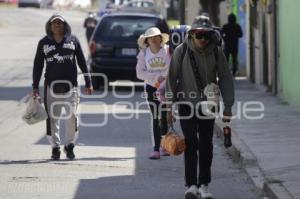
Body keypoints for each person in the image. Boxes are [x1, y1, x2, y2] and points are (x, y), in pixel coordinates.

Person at [166, 15, 234, 199]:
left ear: (211, 35)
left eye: (206, 35)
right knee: (190, 143)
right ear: (192, 34)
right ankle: (191, 185)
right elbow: (171, 78)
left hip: (208, 107)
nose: (202, 39)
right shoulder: (182, 51)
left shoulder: (216, 52)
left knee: (206, 144)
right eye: (199, 35)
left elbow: (226, 78)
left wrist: (228, 105)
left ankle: (204, 185)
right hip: (186, 104)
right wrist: (169, 107)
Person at [32, 14, 93, 160]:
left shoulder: (73, 41)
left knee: (72, 115)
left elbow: (82, 62)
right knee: (53, 118)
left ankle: (70, 145)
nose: (57, 25)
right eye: (54, 23)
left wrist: (88, 82)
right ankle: (55, 147)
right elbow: (38, 66)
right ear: (50, 26)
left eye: (60, 23)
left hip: (71, 86)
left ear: (65, 25)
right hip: (51, 86)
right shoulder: (44, 43)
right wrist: (35, 87)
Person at [136, 27, 171, 160]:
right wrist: (156, 77)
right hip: (151, 88)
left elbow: (172, 68)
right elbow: (139, 73)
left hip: (166, 88)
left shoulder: (167, 51)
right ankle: (156, 148)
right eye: (151, 38)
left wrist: (164, 77)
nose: (155, 40)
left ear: (161, 39)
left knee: (164, 116)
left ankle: (164, 146)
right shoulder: (143, 54)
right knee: (155, 117)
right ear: (147, 41)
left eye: (157, 37)